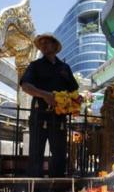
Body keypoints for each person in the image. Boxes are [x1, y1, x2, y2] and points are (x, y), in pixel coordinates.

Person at [20, 33, 79, 177]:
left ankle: (57, 186)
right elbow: (25, 86)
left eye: (47, 42)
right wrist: (45, 95)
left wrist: (77, 100)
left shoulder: (65, 68)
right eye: (42, 43)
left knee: (59, 155)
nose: (44, 45)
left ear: (54, 45)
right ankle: (35, 187)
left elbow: (74, 91)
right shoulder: (35, 65)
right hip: (39, 116)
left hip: (59, 119)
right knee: (35, 155)